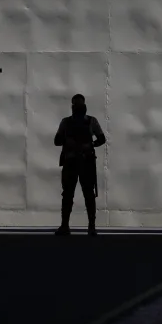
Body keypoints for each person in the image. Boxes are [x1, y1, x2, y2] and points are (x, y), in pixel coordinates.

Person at [53, 94, 106, 235]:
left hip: (82, 161)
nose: (78, 107)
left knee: (82, 195)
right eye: (77, 105)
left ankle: (87, 226)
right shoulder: (73, 122)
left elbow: (101, 139)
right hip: (76, 162)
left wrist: (89, 145)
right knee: (72, 195)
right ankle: (73, 226)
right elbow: (57, 140)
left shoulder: (87, 121)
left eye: (79, 105)